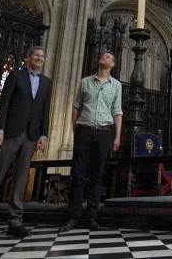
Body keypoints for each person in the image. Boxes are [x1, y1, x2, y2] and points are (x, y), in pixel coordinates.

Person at [0, 46, 52, 240]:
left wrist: (43, 135)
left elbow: (45, 110)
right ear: (28, 58)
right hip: (11, 132)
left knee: (21, 179)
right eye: (36, 55)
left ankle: (15, 221)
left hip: (31, 135)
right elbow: (4, 104)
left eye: (42, 56)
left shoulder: (46, 82)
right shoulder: (15, 76)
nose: (39, 58)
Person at [62, 51, 123, 231]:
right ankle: (74, 216)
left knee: (97, 176)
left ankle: (92, 217)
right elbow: (76, 107)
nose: (104, 58)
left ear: (113, 64)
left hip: (104, 132)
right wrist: (75, 129)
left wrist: (117, 136)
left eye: (108, 57)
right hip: (84, 130)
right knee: (78, 174)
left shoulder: (116, 86)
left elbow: (117, 111)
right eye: (102, 56)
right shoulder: (85, 82)